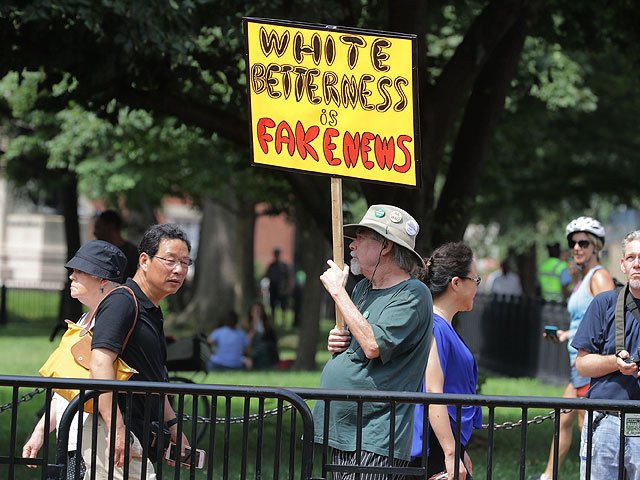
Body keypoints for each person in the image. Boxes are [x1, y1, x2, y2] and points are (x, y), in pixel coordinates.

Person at [311, 204, 433, 478]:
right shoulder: (364, 288)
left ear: (386, 246)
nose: (351, 246)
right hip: (345, 429)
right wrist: (338, 341)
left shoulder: (414, 293)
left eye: (360, 237)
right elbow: (359, 340)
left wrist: (338, 294)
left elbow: (374, 345)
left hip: (376, 436)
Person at [82, 223, 192, 479]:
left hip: (137, 433)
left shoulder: (152, 309)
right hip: (113, 431)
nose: (179, 269)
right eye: (170, 260)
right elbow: (99, 363)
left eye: (186, 262)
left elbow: (155, 376)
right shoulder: (122, 301)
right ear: (144, 260)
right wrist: (116, 427)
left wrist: (173, 425)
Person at [23, 240, 128, 478]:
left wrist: (116, 429)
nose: (72, 276)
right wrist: (40, 432)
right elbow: (65, 391)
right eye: (73, 270)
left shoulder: (111, 322)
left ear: (103, 279)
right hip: (72, 440)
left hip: (97, 443)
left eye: (81, 271)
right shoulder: (83, 319)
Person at [533, 216, 615, 480]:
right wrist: (567, 335)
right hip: (577, 364)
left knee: (586, 426)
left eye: (583, 243)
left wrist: (588, 354)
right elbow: (586, 322)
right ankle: (548, 476)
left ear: (596, 247)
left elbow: (611, 321)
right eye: (573, 243)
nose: (577, 248)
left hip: (590, 365)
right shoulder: (583, 279)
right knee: (563, 420)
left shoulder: (600, 276)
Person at [409, 242, 482, 480]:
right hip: (433, 449)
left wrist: (459, 450)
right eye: (476, 280)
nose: (477, 288)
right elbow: (433, 390)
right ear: (456, 283)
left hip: (444, 446)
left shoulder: (442, 325)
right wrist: (450, 454)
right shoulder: (434, 326)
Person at [572, 230, 640, 479]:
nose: (637, 263)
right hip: (605, 419)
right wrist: (615, 362)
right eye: (631, 257)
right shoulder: (604, 303)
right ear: (622, 264)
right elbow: (582, 365)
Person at [94, 209, 140, 280]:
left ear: (111, 227)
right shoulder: (98, 253)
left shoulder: (133, 253)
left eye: (98, 228)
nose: (95, 233)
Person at [245, 301, 279, 369]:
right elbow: (245, 342)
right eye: (255, 310)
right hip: (250, 351)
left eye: (259, 311)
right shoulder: (246, 326)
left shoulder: (267, 326)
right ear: (251, 312)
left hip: (264, 351)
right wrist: (253, 330)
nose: (257, 313)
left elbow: (272, 342)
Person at [264, 248, 291, 324]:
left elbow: (289, 278)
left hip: (282, 289)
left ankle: (283, 321)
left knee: (283, 306)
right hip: (273, 288)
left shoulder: (284, 266)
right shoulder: (271, 266)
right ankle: (273, 321)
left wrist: (288, 288)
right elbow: (267, 275)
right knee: (272, 306)